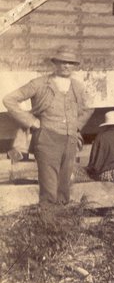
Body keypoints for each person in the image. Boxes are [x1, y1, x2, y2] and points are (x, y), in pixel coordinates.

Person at [2, 46, 94, 205]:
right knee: (49, 184)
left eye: (70, 63)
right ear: (55, 63)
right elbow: (9, 99)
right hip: (47, 138)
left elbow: (89, 107)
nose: (66, 66)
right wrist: (31, 121)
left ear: (74, 66)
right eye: (62, 62)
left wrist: (77, 126)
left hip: (70, 139)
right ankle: (48, 219)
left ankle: (63, 220)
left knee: (65, 183)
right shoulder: (39, 83)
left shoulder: (78, 86)